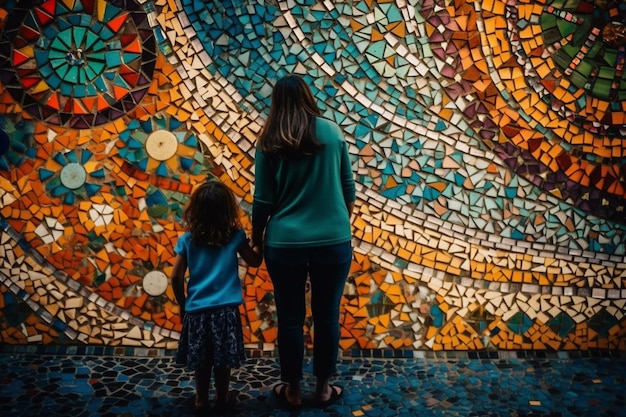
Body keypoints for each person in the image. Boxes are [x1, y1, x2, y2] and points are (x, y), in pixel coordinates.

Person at [252, 74, 356, 409]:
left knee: (291, 318)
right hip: (333, 240)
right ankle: (324, 389)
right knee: (327, 315)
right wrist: (336, 219)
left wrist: (256, 238)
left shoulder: (270, 139)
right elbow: (348, 189)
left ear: (276, 102)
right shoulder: (331, 131)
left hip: (284, 243)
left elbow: (263, 201)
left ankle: (293, 390)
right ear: (309, 97)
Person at [171, 180, 262, 412]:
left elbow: (175, 277)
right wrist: (258, 242)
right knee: (222, 361)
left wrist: (183, 303)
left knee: (201, 361)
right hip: (226, 312)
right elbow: (254, 261)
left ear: (196, 210)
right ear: (228, 210)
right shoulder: (235, 237)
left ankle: (201, 399)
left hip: (197, 311)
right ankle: (222, 398)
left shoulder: (187, 240)